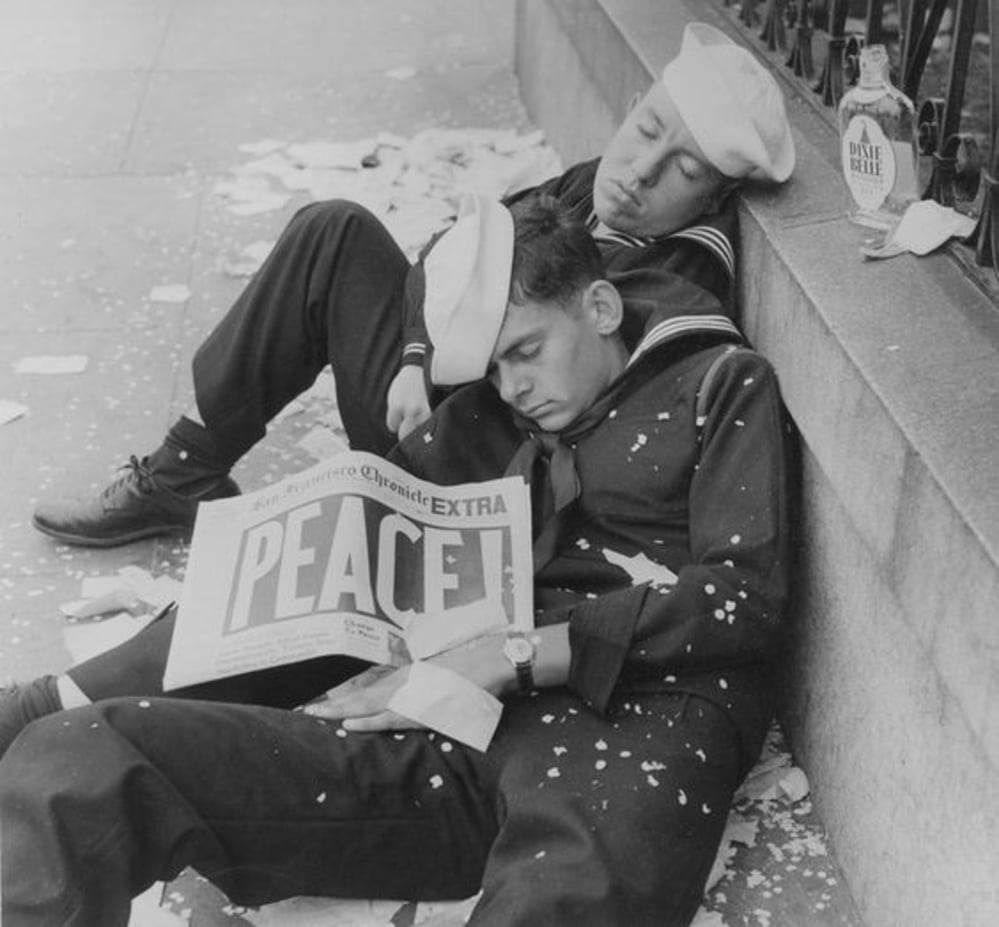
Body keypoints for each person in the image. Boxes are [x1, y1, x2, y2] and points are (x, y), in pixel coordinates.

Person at [1, 191, 791, 927]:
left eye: (526, 351)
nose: (513, 387)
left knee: (558, 904)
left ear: (600, 305)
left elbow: (742, 600)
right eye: (491, 368)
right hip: (446, 726)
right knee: (79, 753)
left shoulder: (717, 384)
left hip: (625, 719)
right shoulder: (488, 413)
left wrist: (513, 654)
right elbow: (371, 524)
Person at [29, 22, 794, 549]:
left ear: (715, 198)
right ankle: (181, 475)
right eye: (648, 131)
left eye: (683, 172)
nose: (641, 171)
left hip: (472, 471)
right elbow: (459, 243)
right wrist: (412, 353)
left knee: (339, 240)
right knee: (334, 231)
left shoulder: (678, 271)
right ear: (632, 107)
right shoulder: (597, 185)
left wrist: (433, 373)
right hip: (432, 396)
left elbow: (569, 415)